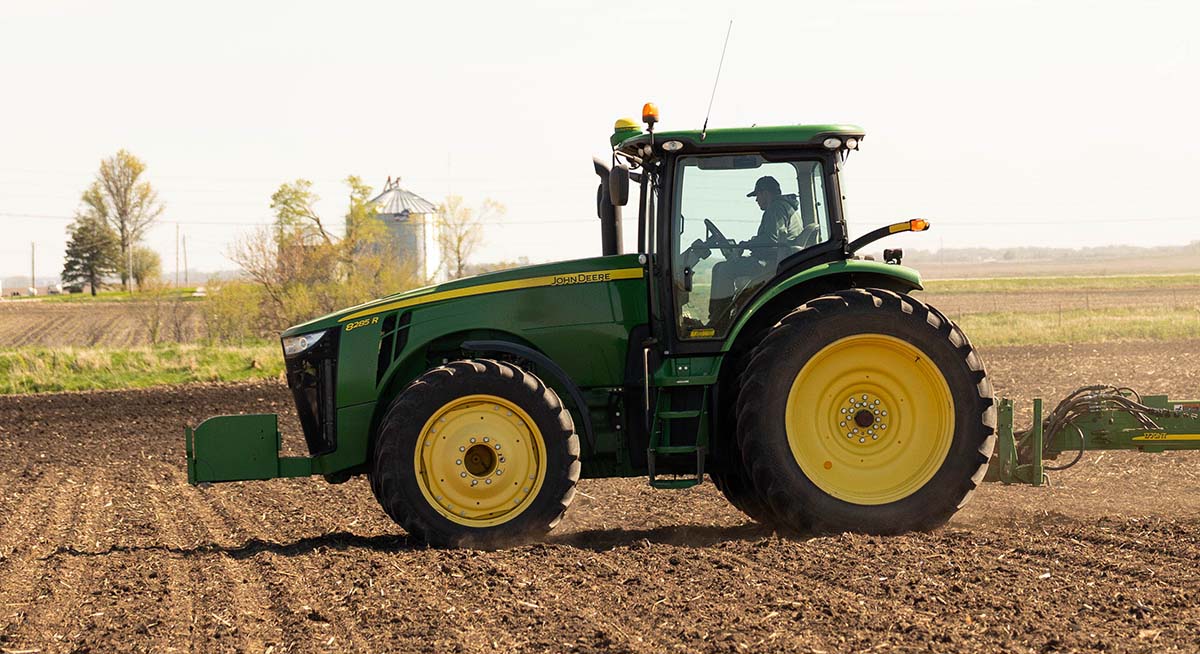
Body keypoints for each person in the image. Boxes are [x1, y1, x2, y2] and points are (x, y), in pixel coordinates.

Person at [707, 175, 804, 327]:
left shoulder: (776, 208)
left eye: (757, 195)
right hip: (779, 260)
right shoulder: (785, 207)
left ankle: (718, 321)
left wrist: (745, 244)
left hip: (774, 264)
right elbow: (774, 239)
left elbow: (771, 241)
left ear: (765, 193)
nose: (757, 200)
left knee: (722, 269)